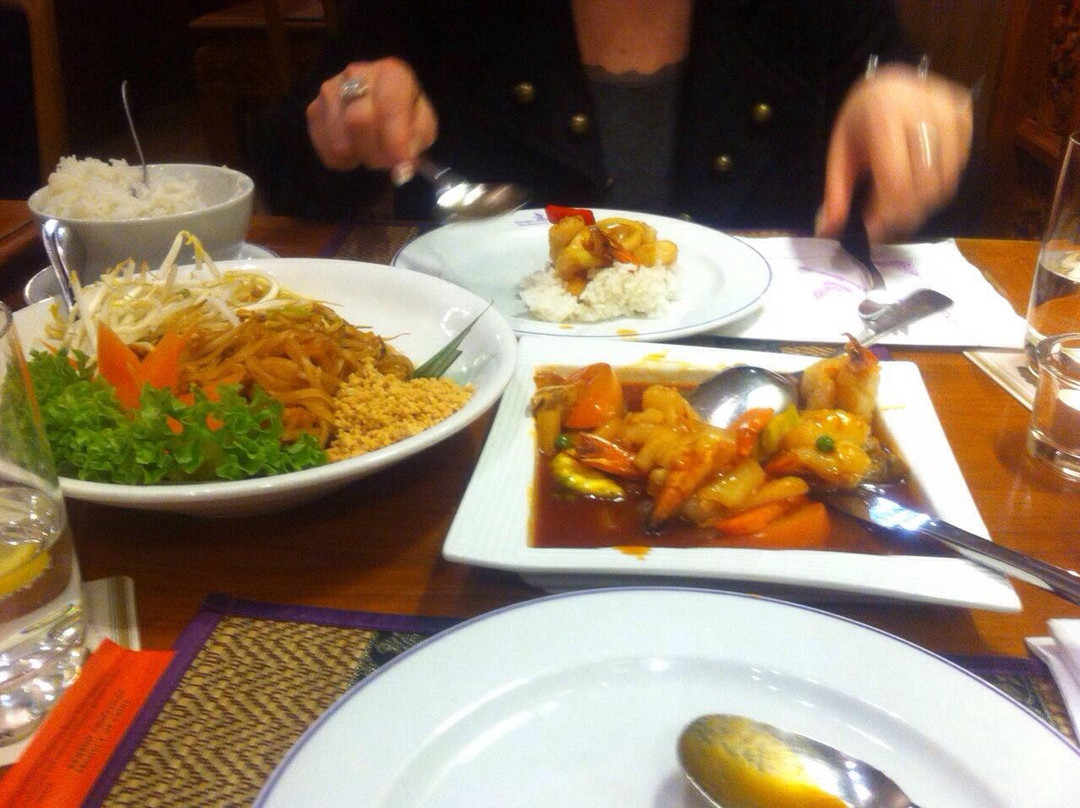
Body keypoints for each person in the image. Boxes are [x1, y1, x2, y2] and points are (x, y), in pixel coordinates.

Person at [257, 0, 974, 242]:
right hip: (478, 401)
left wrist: (919, 131)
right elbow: (287, 174)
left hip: (762, 392)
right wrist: (344, 119)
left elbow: (946, 223)